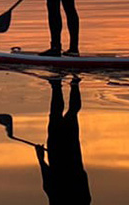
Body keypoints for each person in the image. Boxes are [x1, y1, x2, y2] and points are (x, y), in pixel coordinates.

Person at [36, 76, 91, 204]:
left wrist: (42, 160)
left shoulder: (84, 201)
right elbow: (49, 184)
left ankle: (74, 83)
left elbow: (83, 177)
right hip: (61, 155)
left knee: (70, 113)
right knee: (58, 114)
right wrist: (41, 160)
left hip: (71, 155)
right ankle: (57, 84)